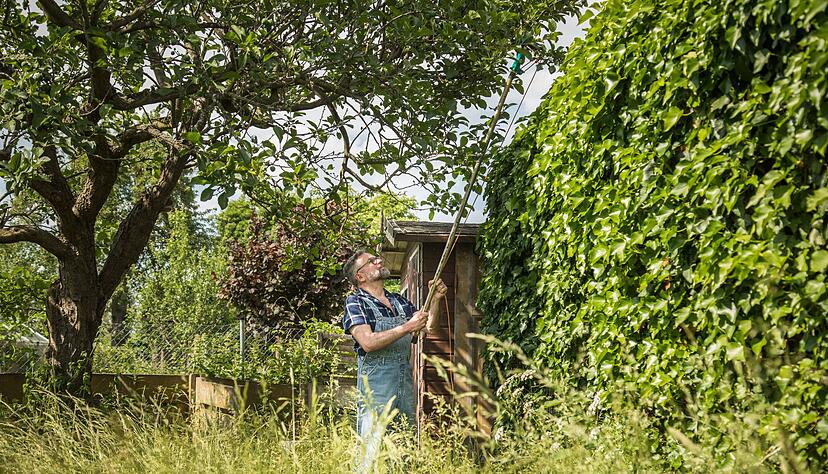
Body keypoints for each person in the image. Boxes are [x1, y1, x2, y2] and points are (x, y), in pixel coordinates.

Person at [341, 249, 447, 470]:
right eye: (371, 261)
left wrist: (436, 300)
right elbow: (368, 342)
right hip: (375, 390)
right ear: (360, 276)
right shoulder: (355, 302)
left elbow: (429, 328)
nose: (379, 261)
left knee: (404, 450)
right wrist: (407, 326)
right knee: (372, 451)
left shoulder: (398, 301)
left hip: (404, 385)